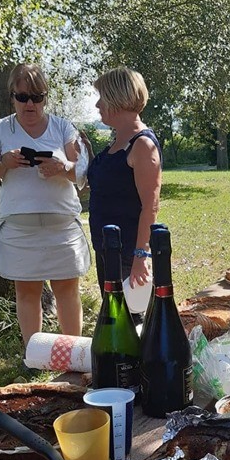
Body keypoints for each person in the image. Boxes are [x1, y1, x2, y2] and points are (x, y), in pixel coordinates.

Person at [0, 63, 90, 346]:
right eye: (22, 96)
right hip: (20, 228)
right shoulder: (0, 129)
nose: (30, 103)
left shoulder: (63, 127)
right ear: (12, 96)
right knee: (26, 292)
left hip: (61, 225)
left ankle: (72, 353)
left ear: (46, 97)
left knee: (66, 290)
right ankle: (34, 354)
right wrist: (4, 162)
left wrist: (62, 167)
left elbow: (83, 174)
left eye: (37, 97)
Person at [87, 67, 162, 293]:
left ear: (117, 98)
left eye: (102, 97)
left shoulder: (142, 144)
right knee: (114, 318)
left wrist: (141, 255)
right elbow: (105, 186)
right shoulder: (116, 141)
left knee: (132, 322)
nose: (97, 105)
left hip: (128, 254)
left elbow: (151, 206)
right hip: (107, 248)